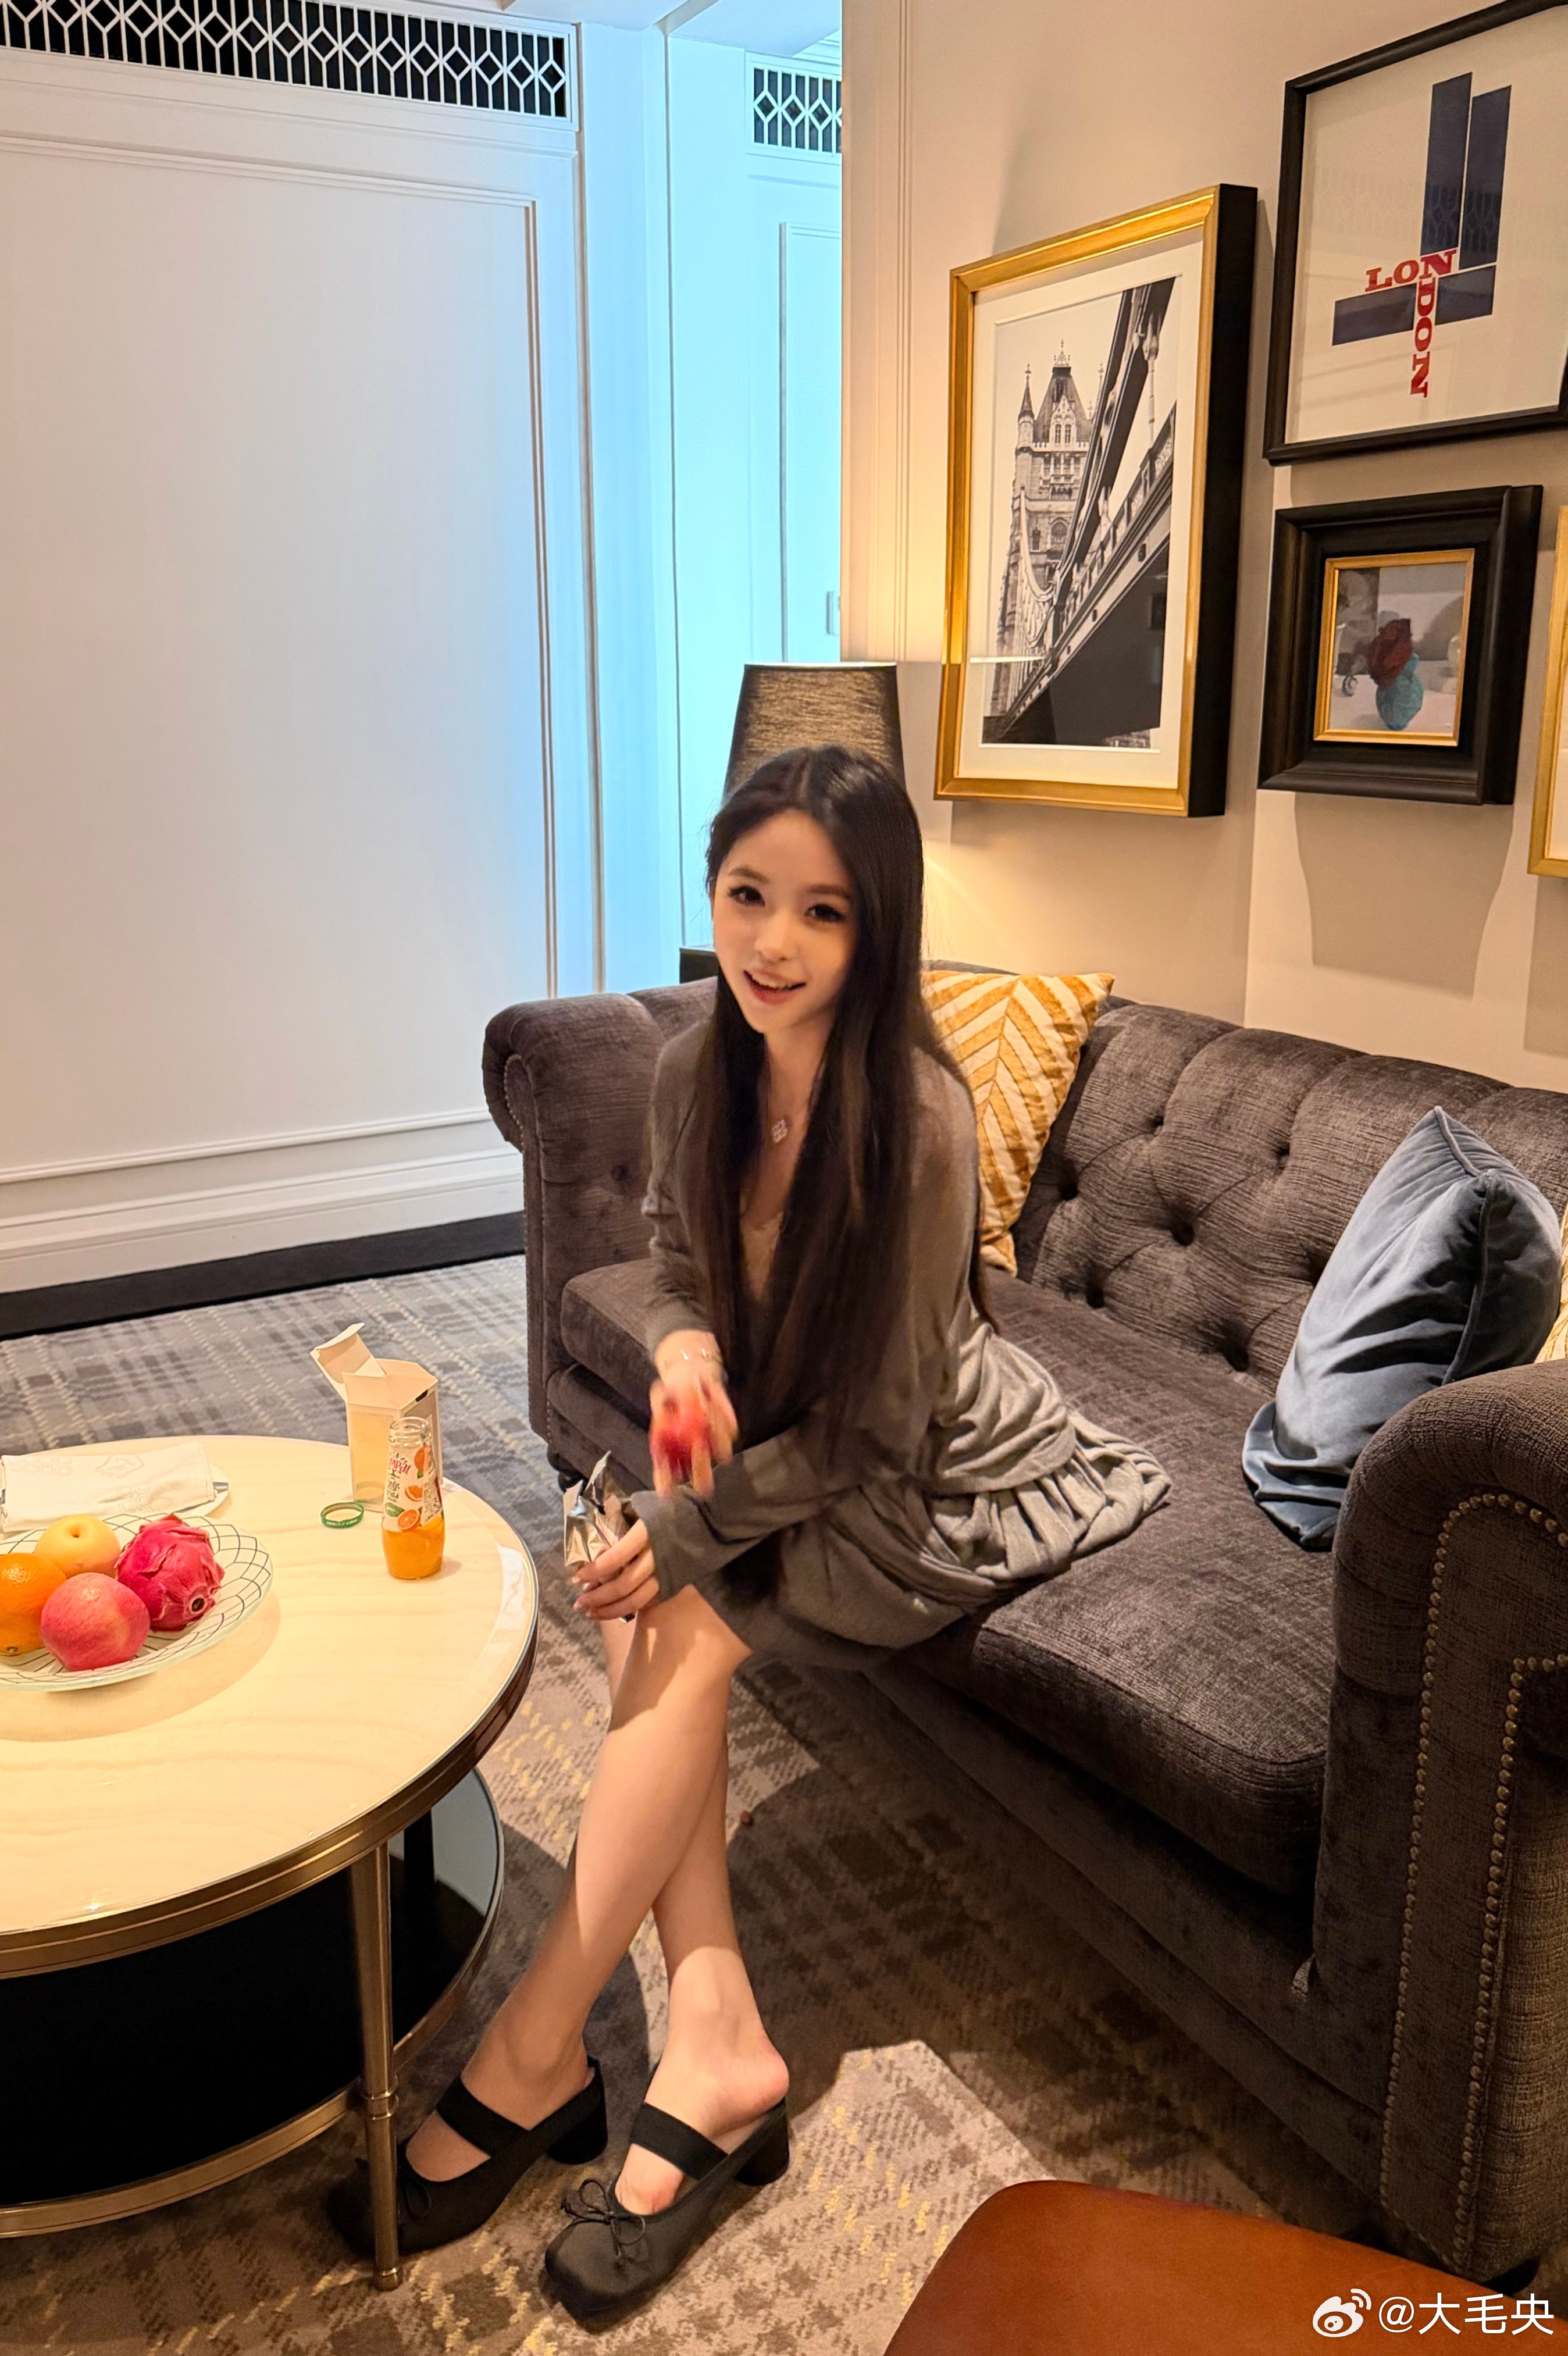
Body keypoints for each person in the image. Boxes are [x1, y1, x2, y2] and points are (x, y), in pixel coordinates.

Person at [330, 744, 1168, 2322]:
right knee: (653, 1606)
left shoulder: (916, 1120)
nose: (773, 943)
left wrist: (696, 1517)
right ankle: (712, 2046)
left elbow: (885, 1428)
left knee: (675, 1608)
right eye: (746, 896)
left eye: (823, 911)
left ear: (880, 924)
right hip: (800, 1430)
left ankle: (533, 2052)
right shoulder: (697, 1070)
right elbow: (669, 1261)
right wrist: (687, 1351)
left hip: (936, 1471)